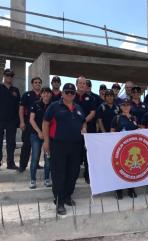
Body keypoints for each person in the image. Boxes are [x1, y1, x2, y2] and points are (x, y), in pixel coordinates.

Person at [42, 83, 87, 215]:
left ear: (75, 94)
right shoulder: (54, 106)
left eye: (72, 93)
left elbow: (83, 121)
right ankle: (59, 201)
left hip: (75, 146)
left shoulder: (78, 108)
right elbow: (45, 123)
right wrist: (46, 141)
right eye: (67, 92)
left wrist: (84, 127)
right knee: (59, 173)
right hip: (58, 145)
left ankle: (68, 196)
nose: (69, 95)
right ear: (62, 93)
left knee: (73, 172)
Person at [0, 69, 20, 172]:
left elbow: (18, 107)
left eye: (11, 75)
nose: (9, 77)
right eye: (7, 75)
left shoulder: (16, 90)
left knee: (11, 143)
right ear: (4, 75)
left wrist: (19, 121)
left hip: (12, 121)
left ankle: (10, 163)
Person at [110, 98, 138, 199]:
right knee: (120, 168)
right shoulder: (116, 118)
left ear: (130, 106)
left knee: (131, 170)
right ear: (121, 107)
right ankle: (118, 190)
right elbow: (112, 132)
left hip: (132, 148)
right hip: (120, 148)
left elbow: (137, 132)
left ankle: (131, 189)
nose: (126, 107)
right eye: (124, 105)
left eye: (128, 105)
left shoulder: (134, 118)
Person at [29, 87, 52, 189]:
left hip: (49, 136)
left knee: (48, 159)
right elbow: (31, 120)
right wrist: (39, 132)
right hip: (36, 135)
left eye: (48, 93)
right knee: (35, 158)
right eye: (44, 93)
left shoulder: (53, 105)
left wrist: (46, 134)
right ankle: (32, 180)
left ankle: (47, 179)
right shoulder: (35, 104)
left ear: (50, 95)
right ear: (41, 94)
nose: (46, 95)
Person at [74, 76, 96, 184]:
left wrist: (83, 121)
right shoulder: (71, 96)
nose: (82, 85)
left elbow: (93, 112)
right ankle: (74, 175)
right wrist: (79, 123)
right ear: (76, 84)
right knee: (75, 153)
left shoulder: (90, 98)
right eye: (80, 83)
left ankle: (88, 175)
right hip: (74, 130)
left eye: (84, 83)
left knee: (88, 154)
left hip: (89, 130)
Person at [18, 77, 42, 173]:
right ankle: (22, 166)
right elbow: (21, 109)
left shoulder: (43, 95)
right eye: (35, 82)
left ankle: (36, 164)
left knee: (38, 146)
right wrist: (22, 122)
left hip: (39, 125)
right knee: (26, 146)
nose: (38, 84)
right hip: (28, 124)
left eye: (39, 82)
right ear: (32, 84)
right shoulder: (26, 95)